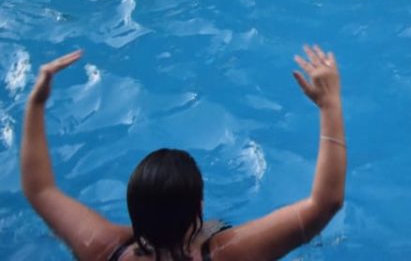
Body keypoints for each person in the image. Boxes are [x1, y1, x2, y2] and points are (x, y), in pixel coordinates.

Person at [20, 45, 345, 260]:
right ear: (198, 206)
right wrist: (329, 105)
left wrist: (35, 104)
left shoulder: (106, 249)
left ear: (133, 210)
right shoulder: (227, 254)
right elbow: (325, 203)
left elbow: (40, 189)